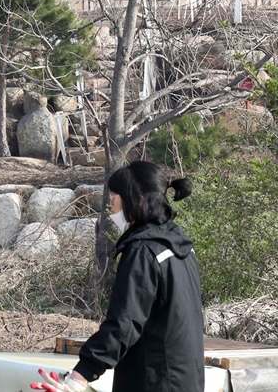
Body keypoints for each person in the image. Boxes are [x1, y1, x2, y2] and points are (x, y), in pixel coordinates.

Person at [32, 161, 204, 392]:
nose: (111, 201)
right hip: (186, 380)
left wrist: (80, 377)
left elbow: (125, 323)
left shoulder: (144, 251)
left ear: (137, 199)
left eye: (116, 194)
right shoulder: (180, 247)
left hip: (153, 382)